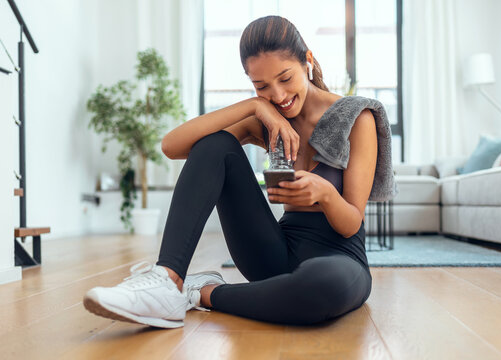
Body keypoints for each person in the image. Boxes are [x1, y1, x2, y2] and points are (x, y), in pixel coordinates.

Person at [83, 15, 377, 328]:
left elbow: (350, 225)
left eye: (285, 78)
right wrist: (253, 107)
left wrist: (326, 194)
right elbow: (172, 146)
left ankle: (201, 294)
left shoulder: (356, 118)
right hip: (274, 254)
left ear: (307, 61)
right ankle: (166, 280)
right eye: (261, 86)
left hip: (339, 259)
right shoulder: (267, 118)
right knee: (216, 143)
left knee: (319, 288)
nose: (278, 96)